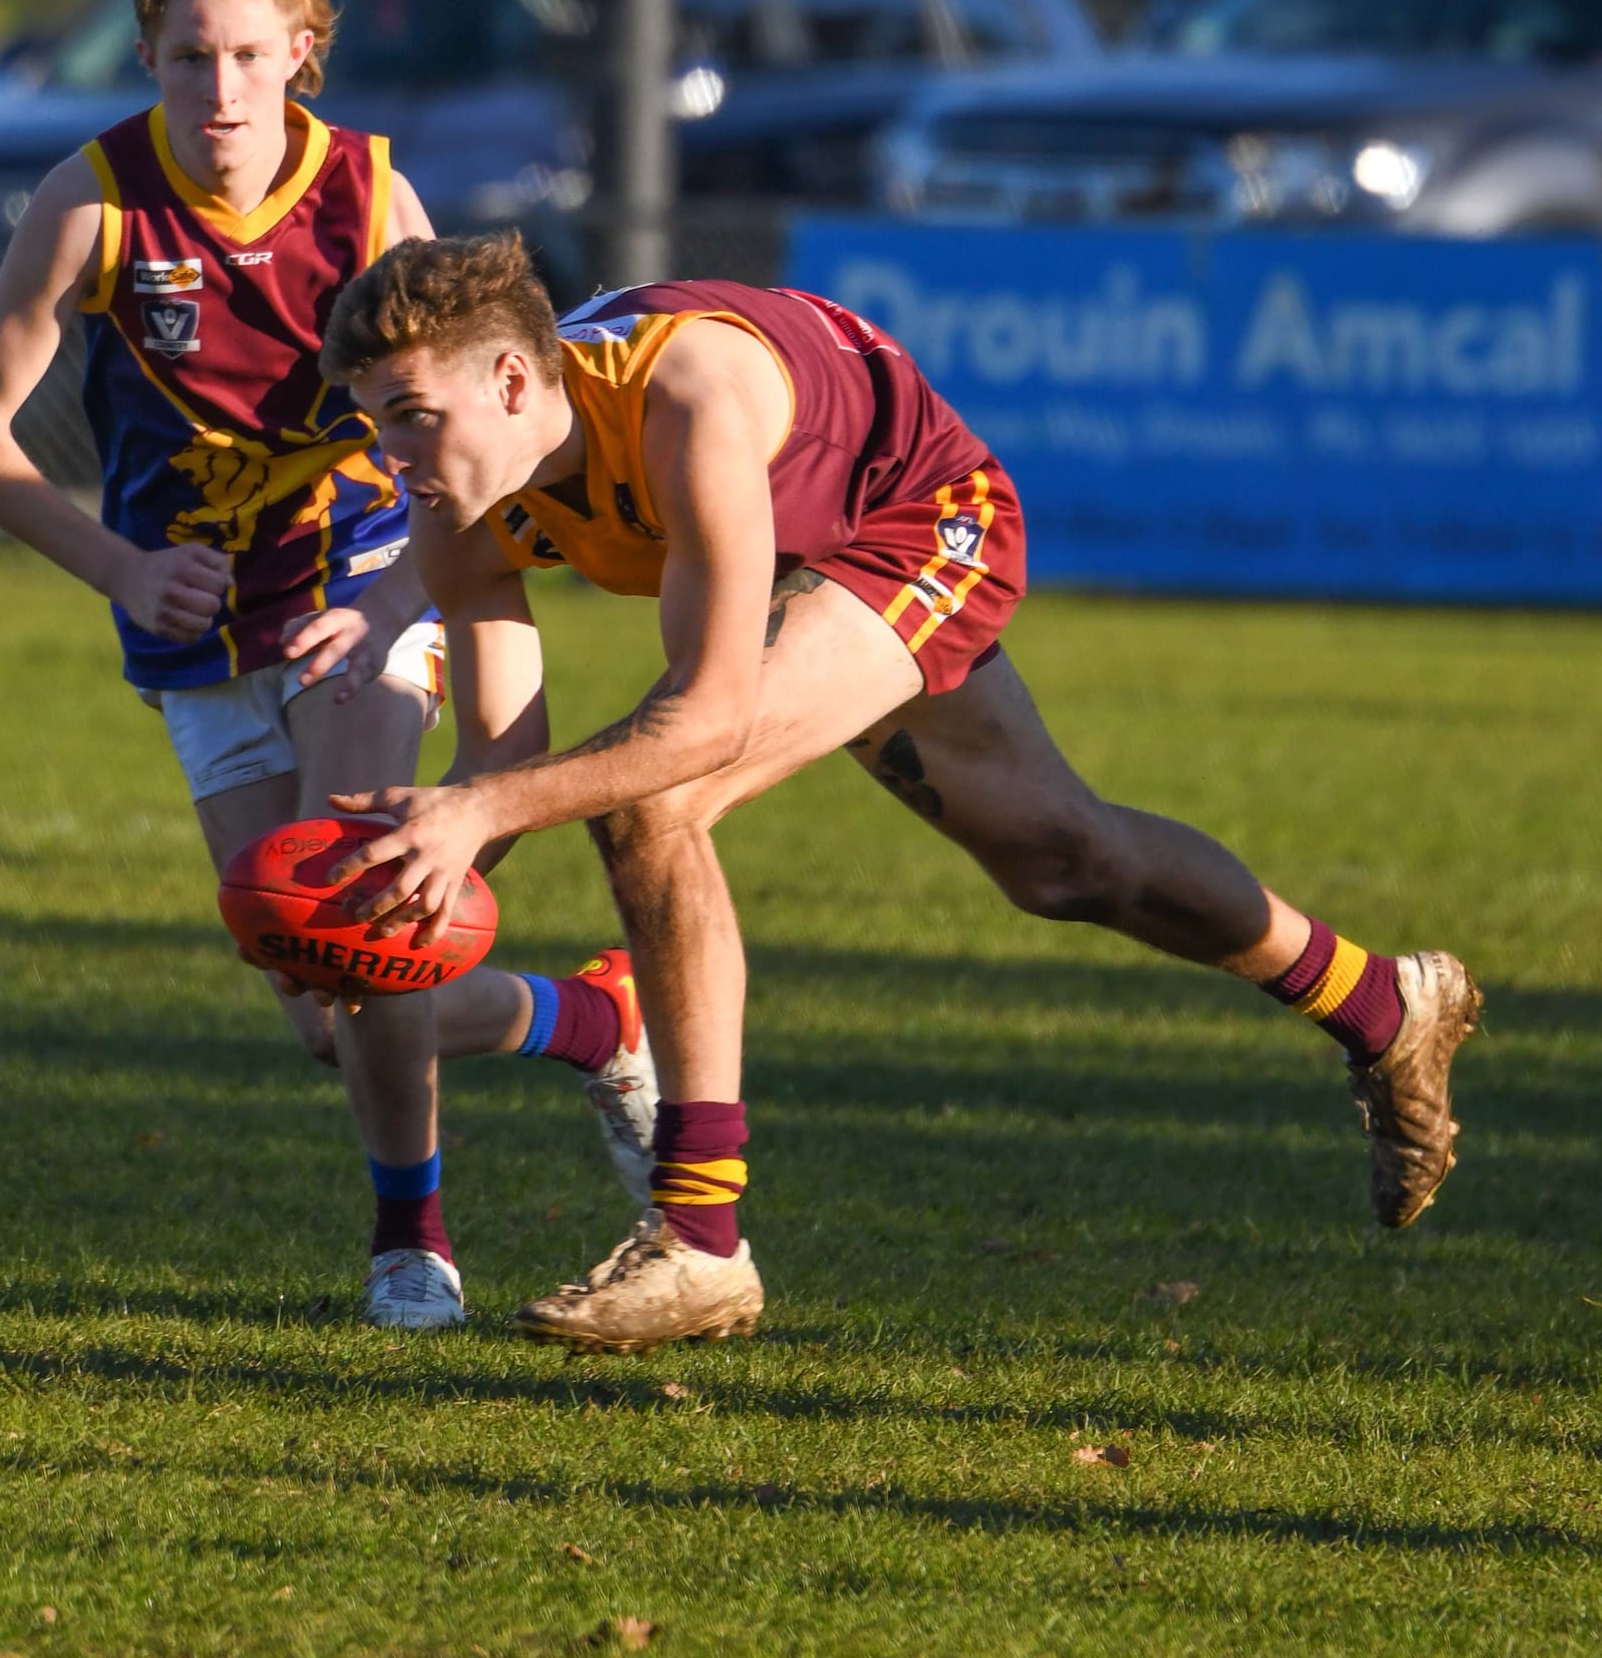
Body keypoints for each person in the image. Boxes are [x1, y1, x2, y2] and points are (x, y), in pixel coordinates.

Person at [315, 230, 1482, 1353]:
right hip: (807, 556)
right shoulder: (455, 509)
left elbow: (701, 718)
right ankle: (1382, 1003)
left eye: (413, 419)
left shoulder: (688, 397)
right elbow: (497, 760)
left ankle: (700, 1238)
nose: (395, 456)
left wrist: (476, 816)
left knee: (654, 806)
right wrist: (392, 885)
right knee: (1063, 862)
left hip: (919, 518)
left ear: (516, 379)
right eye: (375, 425)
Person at [0, 0, 654, 1332]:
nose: (221, 90)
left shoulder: (372, 197)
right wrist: (119, 566)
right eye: (191, 58)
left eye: (251, 56)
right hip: (191, 628)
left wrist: (387, 598)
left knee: (362, 923)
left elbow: (464, 454)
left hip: (357, 583)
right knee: (326, 1008)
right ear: (148, 57)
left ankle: (410, 1247)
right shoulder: (96, 201)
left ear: (303, 54)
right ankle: (591, 1019)